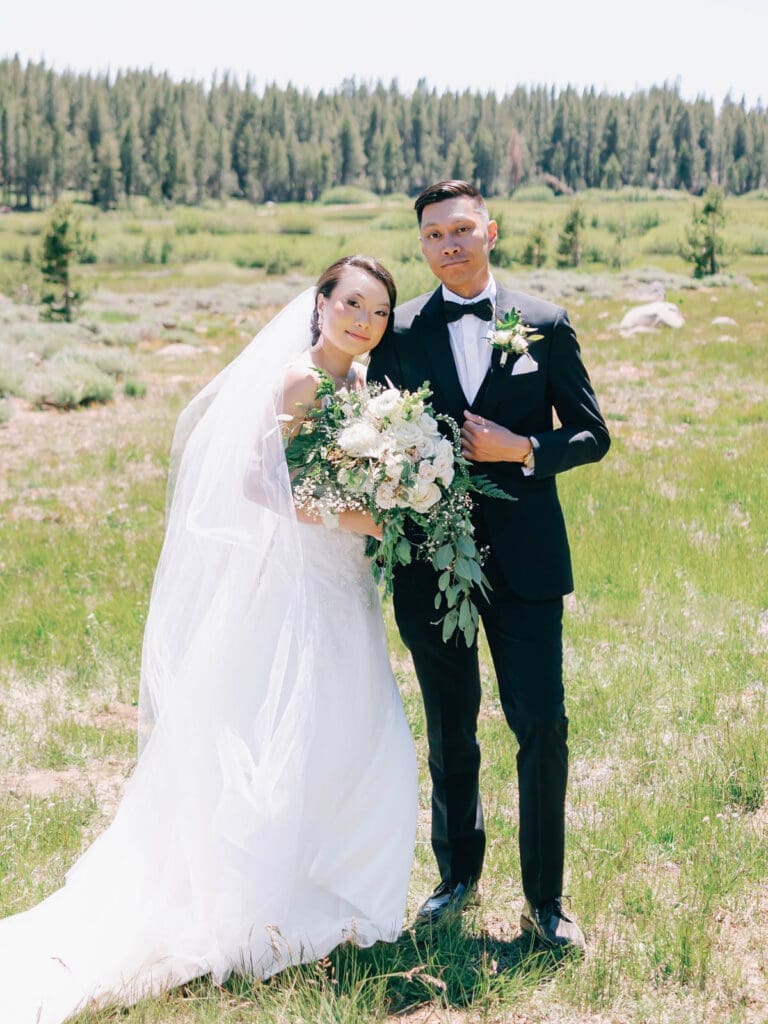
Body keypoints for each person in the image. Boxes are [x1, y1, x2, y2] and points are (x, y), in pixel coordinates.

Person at [0, 255, 417, 1023]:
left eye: (380, 311)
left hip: (347, 586)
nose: (365, 321)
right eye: (352, 303)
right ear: (321, 303)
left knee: (353, 731)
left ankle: (327, 885)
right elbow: (259, 483)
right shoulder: (300, 380)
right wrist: (356, 517)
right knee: (283, 734)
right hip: (298, 585)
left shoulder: (363, 387)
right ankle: (254, 902)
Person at [367, 181, 610, 951]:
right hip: (430, 566)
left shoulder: (543, 323)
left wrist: (524, 450)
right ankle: (455, 878)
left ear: (491, 231)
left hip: (529, 563)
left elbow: (592, 433)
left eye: (463, 229)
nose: (450, 244)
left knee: (542, 724)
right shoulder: (397, 331)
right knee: (450, 727)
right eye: (435, 234)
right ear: (421, 246)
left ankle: (546, 901)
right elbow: (372, 433)